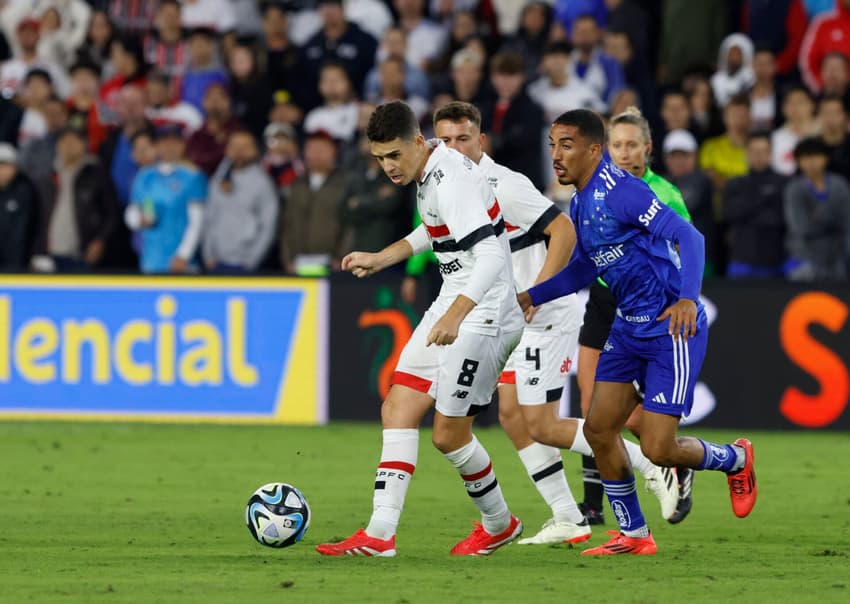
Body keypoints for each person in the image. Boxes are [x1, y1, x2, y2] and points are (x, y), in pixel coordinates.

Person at [432, 101, 678, 545]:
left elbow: (563, 230)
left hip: (542, 315)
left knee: (541, 424)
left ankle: (651, 464)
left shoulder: (501, 184)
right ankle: (568, 515)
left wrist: (537, 295)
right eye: (445, 141)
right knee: (510, 415)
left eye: (462, 138)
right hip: (511, 316)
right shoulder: (450, 188)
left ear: (480, 141)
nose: (453, 148)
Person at [517, 109, 758, 555]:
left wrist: (688, 298)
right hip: (627, 327)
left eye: (565, 145)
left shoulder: (625, 193)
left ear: (594, 150)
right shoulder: (581, 201)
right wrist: (536, 294)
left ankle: (736, 458)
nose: (555, 155)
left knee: (659, 447)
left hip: (671, 327)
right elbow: (588, 267)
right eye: (552, 144)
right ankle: (634, 534)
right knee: (599, 428)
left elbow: (691, 238)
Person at [316, 100, 524, 557]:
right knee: (398, 407)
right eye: (379, 158)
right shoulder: (427, 171)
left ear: (416, 142)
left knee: (448, 435)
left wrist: (456, 315)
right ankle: (380, 534)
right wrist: (381, 257)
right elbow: (433, 232)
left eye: (394, 155)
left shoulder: (451, 181)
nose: (389, 167)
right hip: (456, 296)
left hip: (487, 311)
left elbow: (490, 257)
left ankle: (499, 523)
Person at [575, 106, 695, 527]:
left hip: (651, 309)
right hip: (606, 300)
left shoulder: (665, 194)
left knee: (631, 418)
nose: (623, 153)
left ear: (647, 147)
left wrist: (684, 300)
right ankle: (593, 505)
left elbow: (684, 250)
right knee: (593, 409)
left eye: (631, 145)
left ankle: (672, 459)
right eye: (616, 145)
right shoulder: (596, 189)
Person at [126, 124, 207, 274]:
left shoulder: (192, 176)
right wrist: (138, 220)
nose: (169, 147)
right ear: (156, 146)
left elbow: (197, 221)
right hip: (151, 260)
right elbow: (132, 210)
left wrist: (184, 255)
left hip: (182, 263)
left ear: (183, 145)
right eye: (164, 142)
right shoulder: (145, 176)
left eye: (174, 142)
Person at [202, 131, 278, 274]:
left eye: (245, 147)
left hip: (247, 264)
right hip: (216, 262)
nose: (239, 152)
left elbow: (268, 226)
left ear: (255, 151)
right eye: (234, 147)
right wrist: (209, 255)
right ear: (227, 150)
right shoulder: (218, 179)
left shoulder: (263, 183)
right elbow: (209, 219)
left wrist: (251, 261)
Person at [722, 132, 788, 278]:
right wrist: (764, 199)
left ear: (770, 154)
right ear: (747, 154)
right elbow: (729, 212)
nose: (758, 156)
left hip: (774, 261)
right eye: (754, 151)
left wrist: (747, 209)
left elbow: (779, 218)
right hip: (741, 259)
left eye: (763, 151)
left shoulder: (783, 183)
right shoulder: (735, 183)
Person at [783, 137, 850, 281]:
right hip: (805, 257)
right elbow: (801, 227)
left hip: (836, 257)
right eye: (806, 158)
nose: (811, 162)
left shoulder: (839, 185)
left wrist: (816, 216)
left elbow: (847, 222)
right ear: (799, 161)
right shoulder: (794, 189)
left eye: (816, 156)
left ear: (825, 159)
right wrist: (832, 220)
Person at [0, 143, 39, 271]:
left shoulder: (25, 191)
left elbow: (33, 227)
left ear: (15, 167)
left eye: (6, 165)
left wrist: (34, 254)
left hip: (17, 262)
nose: (2, 170)